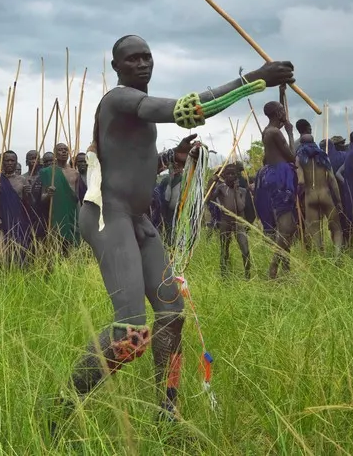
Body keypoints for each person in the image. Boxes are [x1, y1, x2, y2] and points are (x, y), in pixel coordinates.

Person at [50, 34, 294, 430]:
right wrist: (255, 79)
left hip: (138, 218)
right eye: (132, 59)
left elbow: (131, 160)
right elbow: (189, 109)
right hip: (107, 216)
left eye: (147, 57)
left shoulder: (136, 111)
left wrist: (172, 158)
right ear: (117, 68)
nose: (142, 64)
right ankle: (60, 408)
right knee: (129, 332)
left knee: (172, 313)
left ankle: (167, 413)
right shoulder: (119, 99)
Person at [256, 101, 299, 278]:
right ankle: (273, 269)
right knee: (286, 226)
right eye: (282, 110)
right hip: (281, 175)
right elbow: (291, 155)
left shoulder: (267, 131)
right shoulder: (275, 133)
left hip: (273, 175)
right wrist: (289, 133)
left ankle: (286, 267)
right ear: (277, 113)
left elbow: (267, 157)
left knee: (288, 226)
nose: (285, 112)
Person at [295, 134, 342, 257]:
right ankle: (337, 255)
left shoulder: (299, 158)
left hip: (310, 196)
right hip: (325, 194)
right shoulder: (323, 156)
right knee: (336, 227)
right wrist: (339, 200)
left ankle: (321, 257)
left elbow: (301, 181)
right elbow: (332, 179)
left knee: (314, 229)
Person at [39, 143, 86, 254]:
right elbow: (41, 198)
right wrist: (48, 195)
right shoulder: (47, 172)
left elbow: (79, 196)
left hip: (72, 212)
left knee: (73, 243)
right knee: (56, 243)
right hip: (55, 213)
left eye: (66, 150)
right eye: (60, 150)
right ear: (55, 153)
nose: (64, 152)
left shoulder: (75, 173)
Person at [211, 162, 255, 279]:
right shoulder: (220, 188)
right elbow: (209, 199)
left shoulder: (242, 190)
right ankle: (224, 275)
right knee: (224, 248)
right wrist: (213, 181)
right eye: (228, 174)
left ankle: (247, 275)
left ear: (237, 176)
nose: (230, 176)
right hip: (225, 221)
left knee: (245, 250)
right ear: (224, 176)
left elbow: (240, 207)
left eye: (233, 174)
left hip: (239, 222)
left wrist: (236, 191)